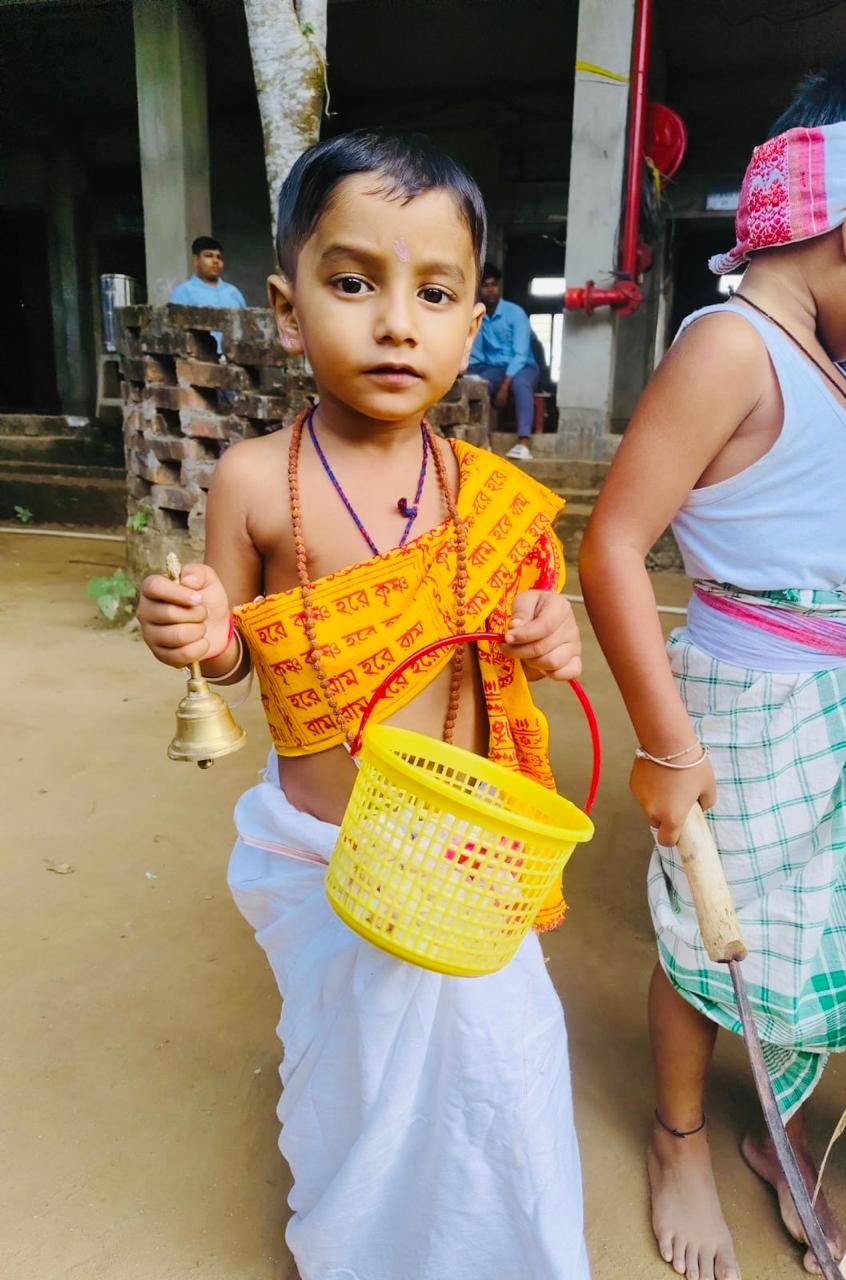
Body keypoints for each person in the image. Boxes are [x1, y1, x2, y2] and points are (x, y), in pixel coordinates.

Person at [136, 130, 589, 1280]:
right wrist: (199, 635)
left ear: (476, 313)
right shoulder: (252, 478)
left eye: (435, 292)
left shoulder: (481, 492)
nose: (397, 322)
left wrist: (550, 631)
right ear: (287, 309)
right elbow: (236, 652)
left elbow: (541, 636)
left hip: (466, 850)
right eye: (354, 283)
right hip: (324, 852)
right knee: (350, 1076)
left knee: (507, 1060)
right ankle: (353, 1244)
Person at [580, 48, 846, 1280]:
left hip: (842, 706)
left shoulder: (842, 389)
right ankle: (679, 1132)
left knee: (810, 932)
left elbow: (842, 543)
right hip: (746, 709)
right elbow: (616, 546)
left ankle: (775, 1122)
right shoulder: (730, 347)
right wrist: (664, 742)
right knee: (716, 935)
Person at [468, 262, 540, 460]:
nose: (490, 290)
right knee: (478, 385)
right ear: (479, 289)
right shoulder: (478, 315)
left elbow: (521, 354)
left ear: (499, 287)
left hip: (523, 365)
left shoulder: (515, 313)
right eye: (485, 286)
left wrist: (504, 387)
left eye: (494, 285)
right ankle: (485, 442)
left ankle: (524, 443)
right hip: (494, 367)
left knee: (521, 385)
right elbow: (476, 354)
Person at [170, 236, 247, 309]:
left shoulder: (233, 292)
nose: (216, 261)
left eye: (219, 257)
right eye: (209, 256)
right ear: (196, 260)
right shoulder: (183, 292)